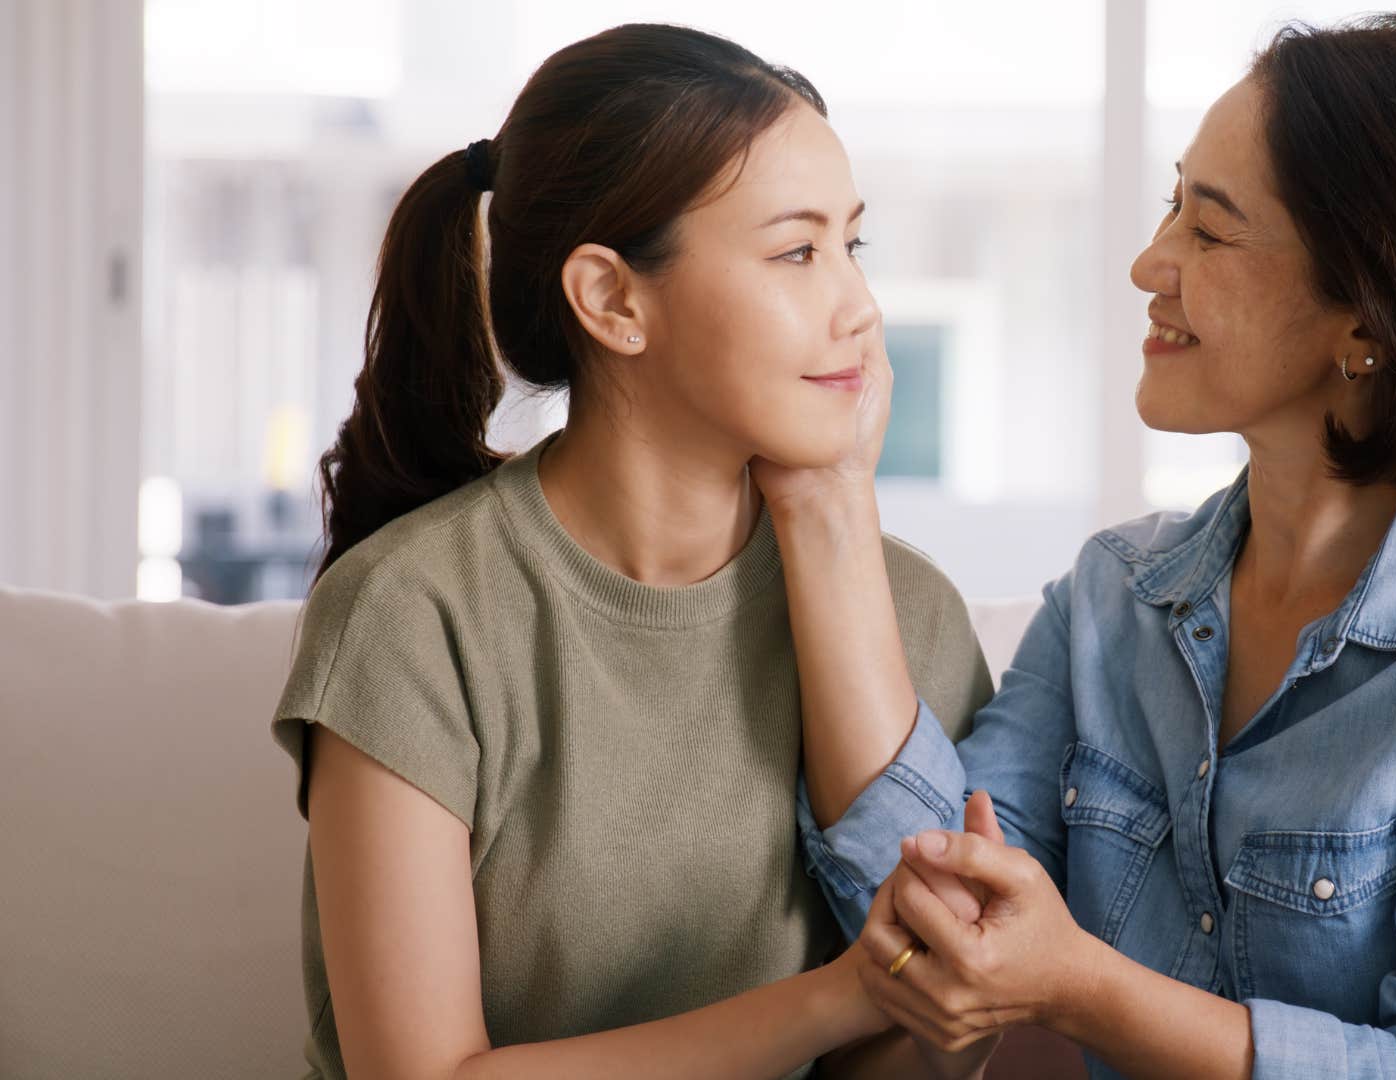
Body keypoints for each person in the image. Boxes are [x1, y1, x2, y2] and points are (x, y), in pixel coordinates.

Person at [793, 16, 1396, 1080]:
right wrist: (829, 492)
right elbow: (925, 918)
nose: (1147, 263)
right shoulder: (1112, 600)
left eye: (1209, 232)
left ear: (1369, 320)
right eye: (1170, 204)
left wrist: (1080, 983)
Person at [269, 24, 993, 1079]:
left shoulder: (908, 614)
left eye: (852, 245)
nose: (861, 308)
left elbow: (937, 1048)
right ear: (612, 299)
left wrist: (833, 513)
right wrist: (835, 1001)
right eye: (797, 251)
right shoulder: (413, 615)